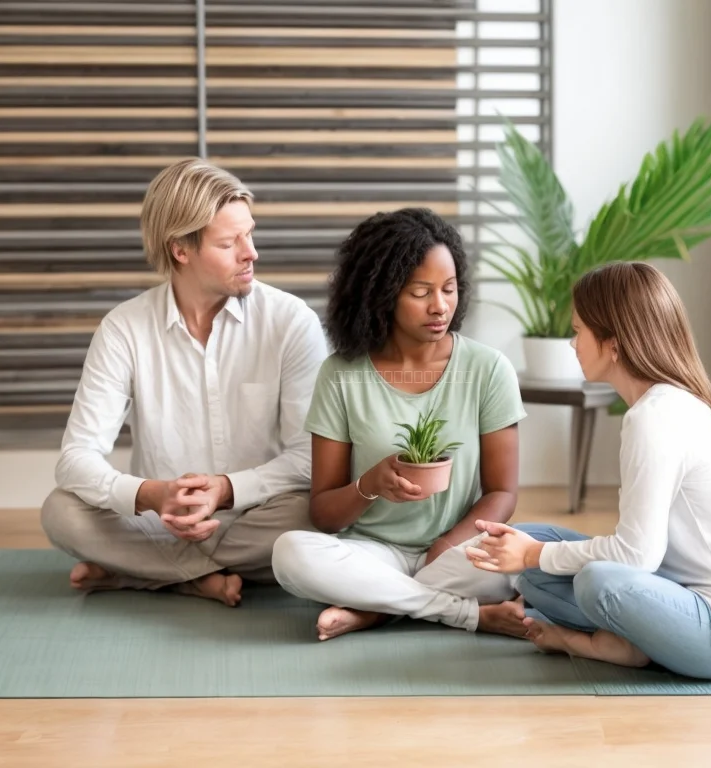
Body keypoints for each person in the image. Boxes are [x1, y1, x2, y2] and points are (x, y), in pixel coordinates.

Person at [41, 158, 328, 606]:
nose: (251, 253)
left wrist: (227, 489)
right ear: (181, 250)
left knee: (318, 512)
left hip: (259, 513)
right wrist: (154, 495)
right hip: (159, 522)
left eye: (249, 234)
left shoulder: (291, 322)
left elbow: (310, 459)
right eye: (229, 243)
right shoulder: (124, 329)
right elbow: (76, 458)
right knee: (61, 512)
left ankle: (142, 573)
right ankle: (195, 576)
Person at [466, 261, 711, 680]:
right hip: (675, 593)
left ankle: (615, 646)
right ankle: (634, 638)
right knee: (533, 559)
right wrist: (533, 553)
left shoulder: (656, 417)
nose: (573, 344)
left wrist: (533, 554)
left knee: (596, 581)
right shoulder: (658, 406)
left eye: (579, 331)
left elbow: (637, 555)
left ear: (614, 343)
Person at [271, 207, 529, 641]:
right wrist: (369, 484)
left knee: (513, 565)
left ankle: (377, 609)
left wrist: (445, 546)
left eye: (449, 289)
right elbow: (324, 514)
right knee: (290, 553)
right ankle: (462, 614)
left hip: (455, 549)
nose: (440, 306)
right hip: (373, 552)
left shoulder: (488, 369)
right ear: (382, 294)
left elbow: (502, 493)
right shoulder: (341, 374)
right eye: (420, 292)